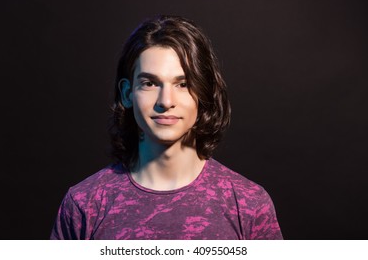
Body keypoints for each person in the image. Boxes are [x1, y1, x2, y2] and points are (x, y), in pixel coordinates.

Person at [50, 15, 283, 240]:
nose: (165, 101)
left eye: (183, 84)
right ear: (128, 93)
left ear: (203, 94)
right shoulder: (84, 203)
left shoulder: (249, 204)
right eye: (150, 83)